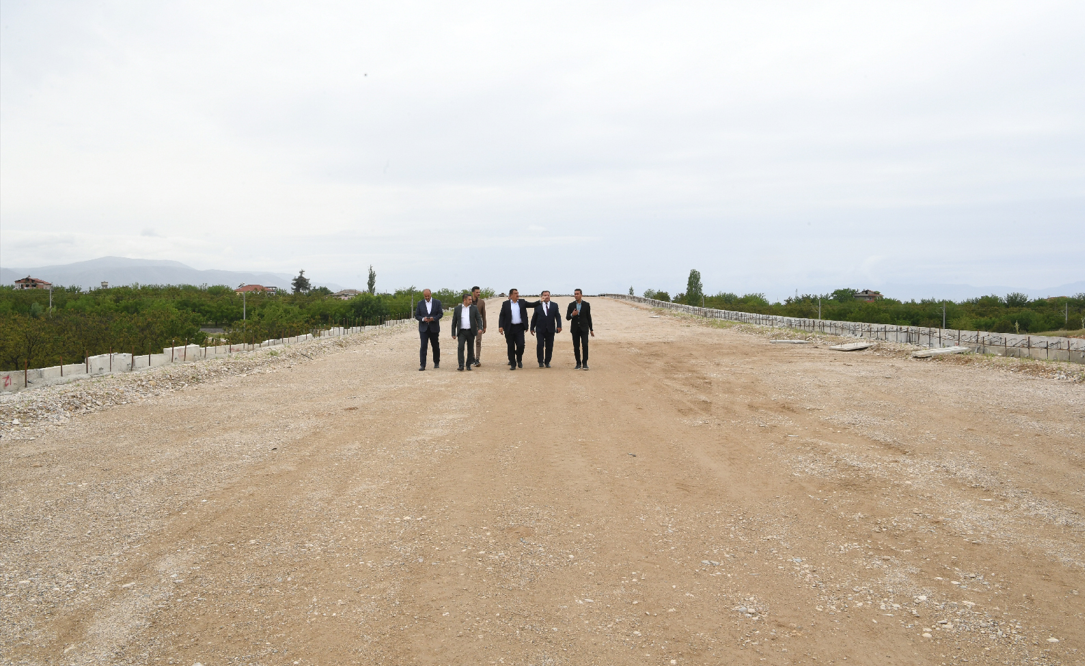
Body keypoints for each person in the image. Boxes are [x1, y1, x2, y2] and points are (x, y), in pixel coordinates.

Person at [498, 288, 532, 370]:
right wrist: (501, 326)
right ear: (511, 295)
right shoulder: (505, 304)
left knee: (521, 345)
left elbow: (532, 304)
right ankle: (513, 364)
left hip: (519, 327)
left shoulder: (522, 302)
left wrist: (540, 301)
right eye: (515, 293)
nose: (517, 294)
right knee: (510, 346)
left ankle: (519, 359)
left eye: (518, 293)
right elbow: (502, 315)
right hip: (509, 328)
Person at [529, 290, 562, 367]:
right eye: (545, 295)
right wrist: (531, 327)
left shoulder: (554, 305)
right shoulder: (537, 305)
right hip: (540, 329)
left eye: (548, 295)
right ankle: (540, 361)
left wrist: (559, 326)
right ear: (542, 297)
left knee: (549, 346)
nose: (547, 297)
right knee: (540, 345)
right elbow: (534, 317)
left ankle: (547, 362)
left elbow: (558, 316)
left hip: (550, 329)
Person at [451, 292, 483, 371]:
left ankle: (468, 365)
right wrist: (453, 333)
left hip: (471, 331)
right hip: (461, 332)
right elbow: (454, 322)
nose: (471, 301)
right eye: (469, 299)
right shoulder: (457, 309)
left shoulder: (474, 308)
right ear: (464, 300)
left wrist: (480, 328)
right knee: (460, 347)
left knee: (470, 348)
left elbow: (479, 319)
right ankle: (461, 365)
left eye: (471, 299)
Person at [414, 289, 443, 370]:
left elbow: (440, 314)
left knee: (435, 346)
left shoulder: (437, 302)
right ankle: (422, 364)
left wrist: (433, 319)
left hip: (434, 328)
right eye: (425, 296)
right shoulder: (420, 303)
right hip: (424, 328)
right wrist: (423, 319)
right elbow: (417, 315)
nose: (427, 297)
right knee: (423, 346)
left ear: (431, 294)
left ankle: (436, 362)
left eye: (428, 296)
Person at [566, 288, 594, 369]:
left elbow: (589, 317)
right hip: (575, 329)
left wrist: (591, 329)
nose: (576, 295)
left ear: (581, 294)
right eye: (575, 294)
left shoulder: (586, 304)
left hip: (584, 328)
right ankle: (578, 363)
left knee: (585, 345)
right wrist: (572, 314)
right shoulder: (571, 305)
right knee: (576, 346)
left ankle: (585, 363)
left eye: (577, 294)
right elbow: (567, 317)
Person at [471, 286, 487, 367]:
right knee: (470, 342)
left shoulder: (481, 302)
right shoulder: (468, 301)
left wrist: (484, 326)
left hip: (478, 326)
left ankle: (477, 359)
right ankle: (472, 358)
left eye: (479, 292)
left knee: (478, 341)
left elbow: (484, 314)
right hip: (469, 325)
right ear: (473, 292)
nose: (478, 294)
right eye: (477, 292)